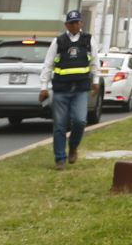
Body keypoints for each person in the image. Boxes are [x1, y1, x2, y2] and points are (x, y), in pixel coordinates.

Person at [37, 9, 95, 170]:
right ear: (66, 25)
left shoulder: (88, 40)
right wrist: (44, 87)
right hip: (61, 89)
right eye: (71, 23)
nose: (74, 25)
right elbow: (48, 65)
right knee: (60, 125)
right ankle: (60, 158)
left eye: (77, 22)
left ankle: (74, 147)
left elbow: (95, 62)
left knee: (80, 121)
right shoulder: (58, 41)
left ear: (81, 23)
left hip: (80, 89)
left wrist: (96, 81)